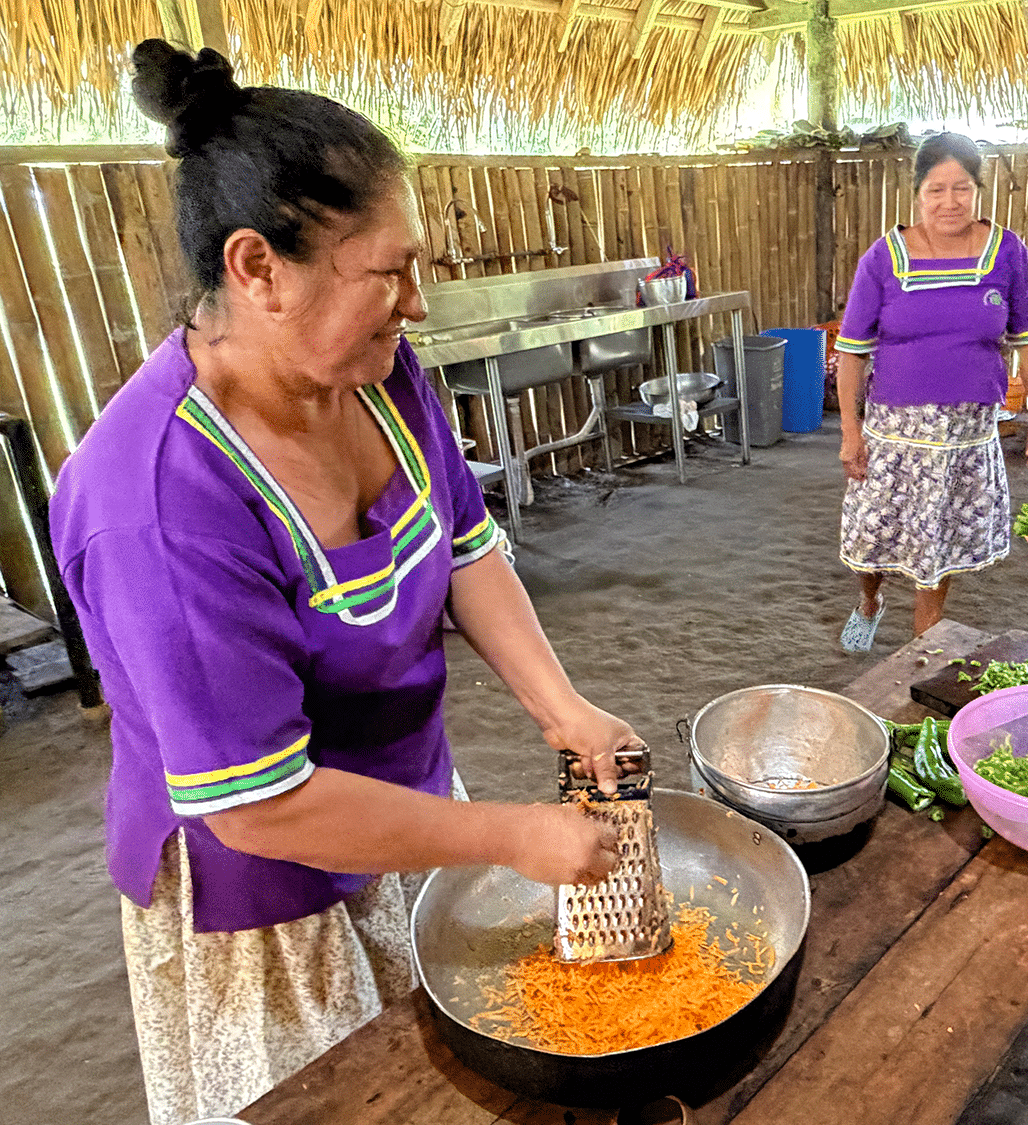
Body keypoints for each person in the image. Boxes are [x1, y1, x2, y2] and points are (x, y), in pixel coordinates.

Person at [49, 41, 635, 1124]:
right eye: (388, 272)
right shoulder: (162, 504)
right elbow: (262, 806)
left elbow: (466, 547)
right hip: (266, 895)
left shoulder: (375, 373)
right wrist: (513, 837)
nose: (414, 304)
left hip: (409, 811)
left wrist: (565, 711)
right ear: (258, 269)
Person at [834, 132, 1028, 652]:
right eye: (936, 189)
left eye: (961, 188)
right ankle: (870, 600)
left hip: (965, 433)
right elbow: (851, 351)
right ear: (918, 194)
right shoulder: (884, 258)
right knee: (875, 537)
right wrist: (850, 431)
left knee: (936, 541)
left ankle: (918, 650)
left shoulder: (1008, 252)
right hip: (893, 430)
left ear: (978, 190)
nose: (949, 202)